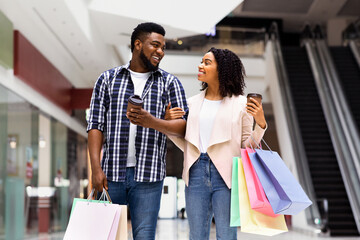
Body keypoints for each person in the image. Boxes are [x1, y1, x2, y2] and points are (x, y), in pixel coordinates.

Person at [87, 22, 188, 240]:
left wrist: (153, 121)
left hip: (149, 177)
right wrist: (96, 169)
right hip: (110, 175)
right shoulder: (107, 79)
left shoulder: (169, 83)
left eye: (163, 47)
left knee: (144, 236)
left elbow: (184, 127)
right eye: (155, 45)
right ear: (138, 44)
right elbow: (95, 126)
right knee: (106, 235)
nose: (160, 52)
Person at [166, 47, 267, 240]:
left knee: (227, 236)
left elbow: (247, 146)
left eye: (206, 62)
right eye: (201, 61)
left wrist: (260, 124)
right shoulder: (190, 104)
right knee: (196, 235)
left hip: (227, 175)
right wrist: (169, 123)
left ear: (222, 69)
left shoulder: (241, 104)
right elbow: (186, 141)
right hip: (195, 173)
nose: (200, 65)